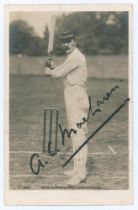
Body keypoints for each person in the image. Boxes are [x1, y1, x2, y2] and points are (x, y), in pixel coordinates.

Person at [47, 31, 89, 186]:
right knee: (76, 133)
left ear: (74, 41)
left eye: (68, 41)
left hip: (76, 96)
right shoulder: (73, 57)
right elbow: (63, 71)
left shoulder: (76, 57)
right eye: (63, 42)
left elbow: (59, 73)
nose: (65, 44)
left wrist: (51, 70)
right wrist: (54, 68)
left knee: (78, 135)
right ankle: (78, 169)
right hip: (73, 95)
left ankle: (80, 173)